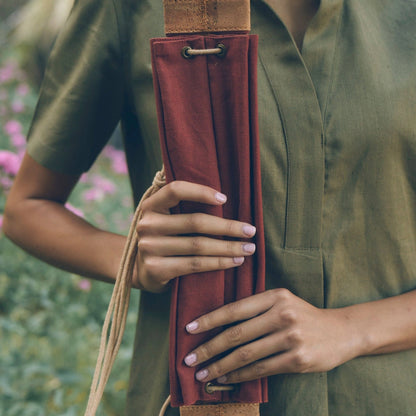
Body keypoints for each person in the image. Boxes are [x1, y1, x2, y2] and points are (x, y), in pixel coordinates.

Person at [4, 0, 416, 414]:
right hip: (201, 399)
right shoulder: (130, 8)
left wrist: (351, 330)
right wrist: (134, 261)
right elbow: (28, 208)